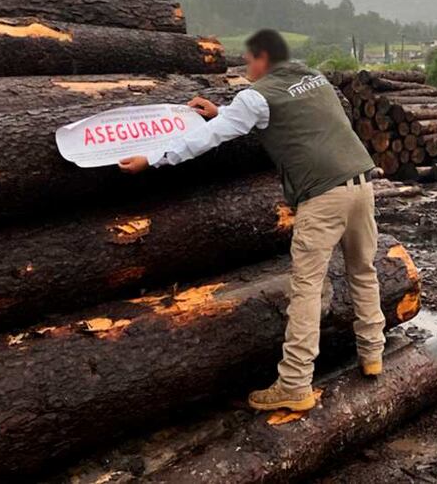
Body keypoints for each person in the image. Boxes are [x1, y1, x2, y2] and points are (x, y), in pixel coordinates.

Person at [118, 29, 383, 412]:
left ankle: (294, 383)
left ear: (263, 58)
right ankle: (372, 353)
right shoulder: (313, 78)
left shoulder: (256, 95)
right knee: (363, 271)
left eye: (249, 60)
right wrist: (221, 112)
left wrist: (153, 157)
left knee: (306, 288)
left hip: (323, 196)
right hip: (361, 185)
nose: (245, 67)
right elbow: (281, 118)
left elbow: (208, 139)